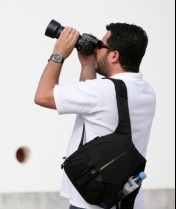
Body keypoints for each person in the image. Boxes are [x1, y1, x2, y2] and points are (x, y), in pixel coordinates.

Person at [34, 23, 156, 209]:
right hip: (128, 200)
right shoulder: (146, 91)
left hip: (92, 201)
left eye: (101, 46)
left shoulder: (102, 91)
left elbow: (43, 96)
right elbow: (90, 107)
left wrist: (58, 54)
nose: (96, 49)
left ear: (114, 55)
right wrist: (88, 65)